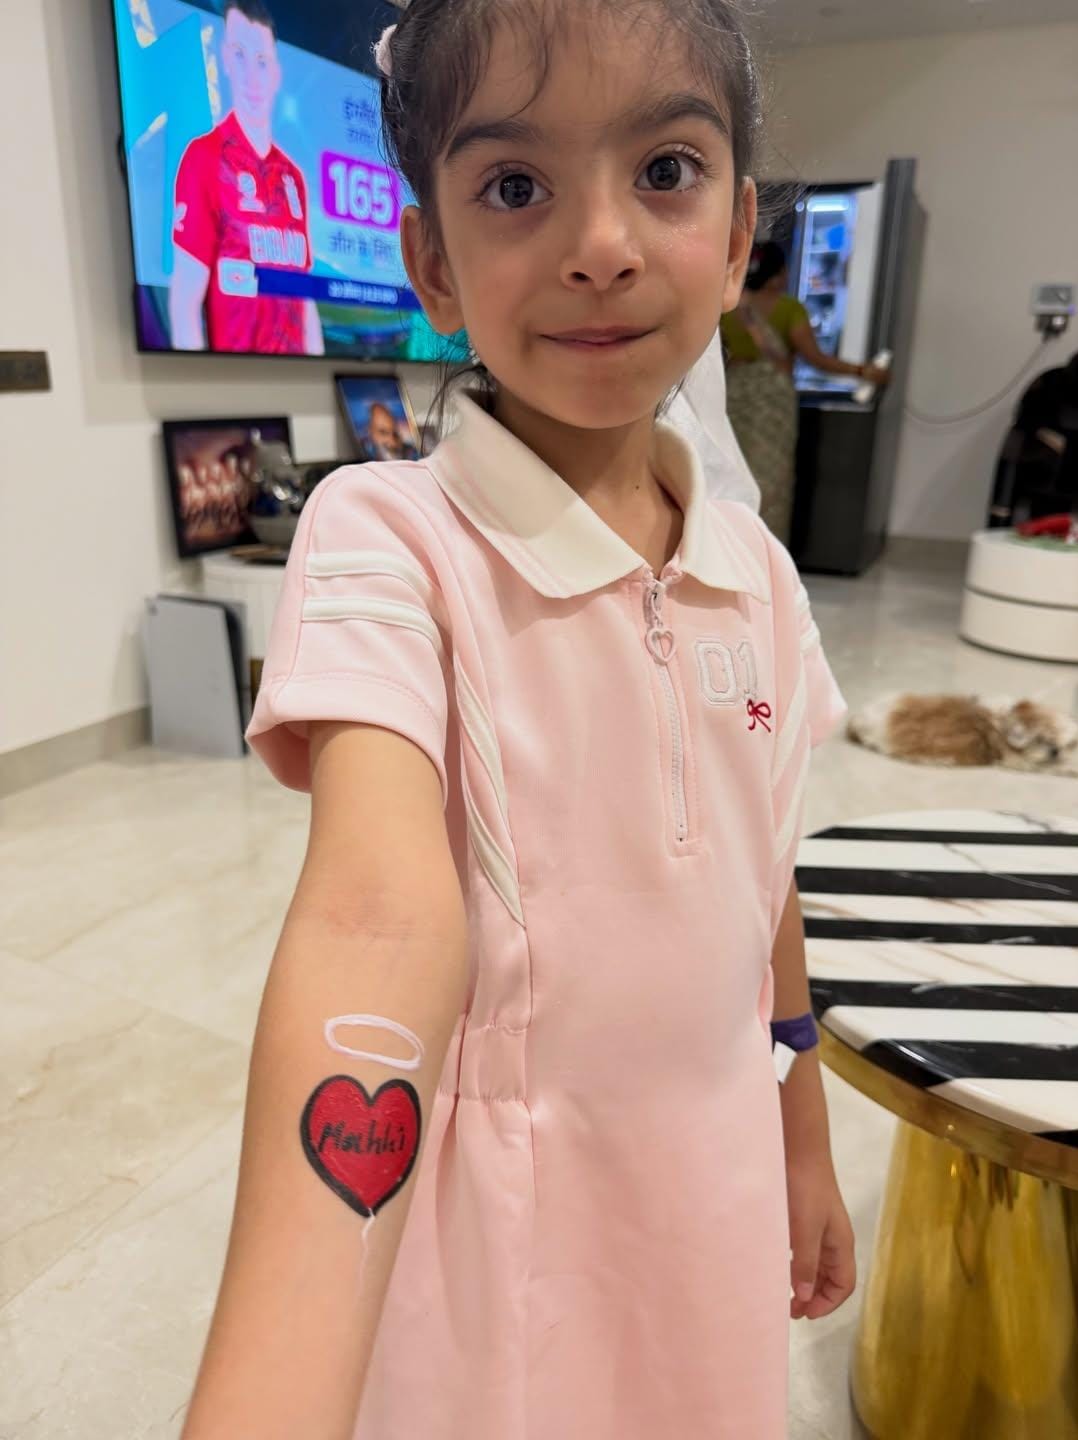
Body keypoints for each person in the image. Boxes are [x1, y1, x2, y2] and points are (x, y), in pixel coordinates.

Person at [180, 4, 854, 1438]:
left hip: (716, 1191)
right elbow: (371, 919)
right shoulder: (387, 538)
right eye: (513, 185)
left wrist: (802, 1133)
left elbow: (765, 870)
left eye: (663, 171)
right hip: (503, 1234)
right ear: (432, 260)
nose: (600, 243)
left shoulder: (760, 574)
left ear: (740, 230)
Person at [168, 0, 324, 355]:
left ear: (277, 73)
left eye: (262, 61)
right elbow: (184, 304)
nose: (252, 77)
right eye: (240, 55)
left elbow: (305, 301)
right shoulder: (204, 158)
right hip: (237, 378)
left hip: (298, 379)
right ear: (225, 59)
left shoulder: (293, 177)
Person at [721, 240, 890, 541]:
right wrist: (864, 371)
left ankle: (732, 544)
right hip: (772, 402)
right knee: (772, 477)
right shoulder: (789, 309)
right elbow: (816, 359)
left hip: (733, 395)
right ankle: (765, 548)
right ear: (777, 274)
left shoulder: (730, 308)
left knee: (733, 471)